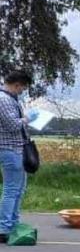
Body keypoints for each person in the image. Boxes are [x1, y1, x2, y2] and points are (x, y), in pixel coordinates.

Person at [0, 71, 37, 243]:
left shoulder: (10, 98)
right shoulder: (4, 99)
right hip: (10, 149)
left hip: (17, 148)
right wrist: (27, 119)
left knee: (19, 189)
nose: (22, 91)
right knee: (11, 190)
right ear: (17, 84)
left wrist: (24, 118)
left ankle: (12, 223)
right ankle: (4, 227)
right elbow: (12, 125)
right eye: (23, 87)